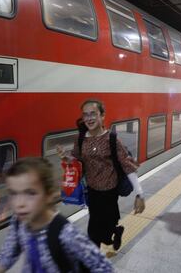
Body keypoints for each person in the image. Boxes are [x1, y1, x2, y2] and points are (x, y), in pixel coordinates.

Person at [0, 157, 113, 273]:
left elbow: (104, 267)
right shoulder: (18, 222)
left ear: (49, 195)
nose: (19, 203)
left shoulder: (66, 233)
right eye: (13, 194)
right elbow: (6, 257)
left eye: (30, 193)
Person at [57, 99, 145, 250]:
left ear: (102, 116)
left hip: (110, 193)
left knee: (106, 230)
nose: (89, 118)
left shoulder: (112, 139)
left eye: (93, 114)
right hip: (92, 191)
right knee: (94, 232)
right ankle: (94, 260)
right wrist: (66, 157)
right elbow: (76, 159)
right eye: (85, 115)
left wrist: (140, 195)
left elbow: (128, 166)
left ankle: (116, 231)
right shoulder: (81, 139)